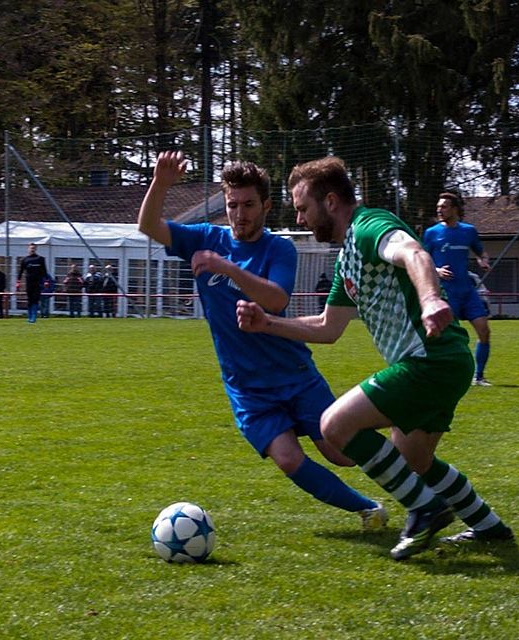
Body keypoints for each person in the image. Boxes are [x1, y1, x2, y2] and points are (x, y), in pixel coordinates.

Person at [236, 156, 514, 560]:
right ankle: (488, 527)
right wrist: (267, 324)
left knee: (334, 425)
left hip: (429, 360)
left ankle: (425, 509)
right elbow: (328, 328)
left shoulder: (369, 227)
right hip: (443, 361)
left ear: (330, 202)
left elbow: (414, 252)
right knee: (413, 460)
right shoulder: (348, 256)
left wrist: (431, 297)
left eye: (302, 208)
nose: (299, 219)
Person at [138, 150, 389, 531]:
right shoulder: (205, 238)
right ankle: (368, 509)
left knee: (341, 453)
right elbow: (149, 226)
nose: (240, 214)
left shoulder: (279, 248)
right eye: (232, 205)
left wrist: (227, 267)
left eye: (249, 204)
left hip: (292, 372)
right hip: (247, 386)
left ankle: (410, 452)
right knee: (288, 458)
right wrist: (161, 183)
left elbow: (276, 299)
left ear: (266, 206)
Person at [423, 193, 494, 386]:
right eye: (439, 206)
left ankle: (478, 377)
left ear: (455, 209)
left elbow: (481, 252)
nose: (440, 210)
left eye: (444, 206)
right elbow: (422, 259)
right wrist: (436, 270)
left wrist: (483, 261)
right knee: (443, 338)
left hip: (468, 292)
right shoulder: (431, 233)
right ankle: (437, 374)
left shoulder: (468, 231)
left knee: (484, 331)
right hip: (446, 293)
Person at [17, 243, 48, 323]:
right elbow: (20, 271)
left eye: (34, 248)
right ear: (28, 249)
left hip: (37, 282)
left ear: (36, 249)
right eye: (31, 248)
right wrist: (18, 281)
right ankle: (29, 316)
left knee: (36, 299)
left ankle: (34, 316)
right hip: (28, 282)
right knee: (30, 299)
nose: (32, 249)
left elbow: (44, 271)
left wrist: (46, 281)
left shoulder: (40, 259)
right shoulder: (25, 260)